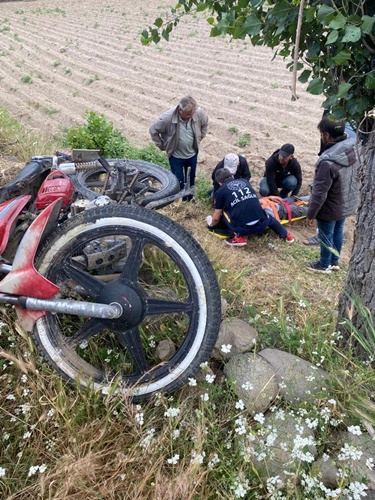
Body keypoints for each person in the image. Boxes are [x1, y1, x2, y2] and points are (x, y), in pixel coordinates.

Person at [306, 117, 361, 273]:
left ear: (327, 135)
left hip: (330, 205)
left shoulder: (327, 161)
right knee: (338, 230)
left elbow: (319, 193)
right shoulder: (354, 146)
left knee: (325, 235)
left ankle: (324, 265)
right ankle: (334, 261)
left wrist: (311, 213)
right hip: (347, 200)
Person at [207, 169, 294, 246]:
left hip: (243, 229)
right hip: (262, 224)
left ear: (220, 183)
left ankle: (238, 237)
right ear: (232, 175)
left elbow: (216, 218)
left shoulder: (220, 192)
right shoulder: (245, 182)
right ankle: (287, 235)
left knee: (224, 211)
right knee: (269, 218)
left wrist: (211, 224)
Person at [149, 96, 208, 200]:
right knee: (178, 180)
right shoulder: (167, 118)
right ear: (180, 111)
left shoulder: (198, 113)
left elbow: (204, 124)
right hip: (176, 157)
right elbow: (153, 130)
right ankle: (179, 200)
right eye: (189, 114)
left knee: (191, 179)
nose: (191, 116)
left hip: (192, 154)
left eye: (192, 114)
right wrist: (162, 146)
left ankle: (189, 200)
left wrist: (199, 137)